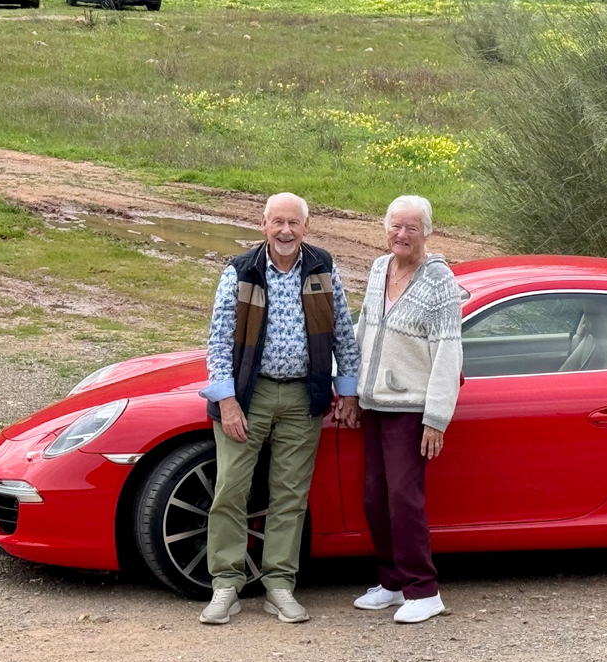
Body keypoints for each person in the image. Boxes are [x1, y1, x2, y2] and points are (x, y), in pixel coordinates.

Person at [197, 192, 361, 625]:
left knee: (290, 494)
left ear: (306, 227)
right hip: (248, 396)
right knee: (231, 488)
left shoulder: (322, 267)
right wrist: (227, 401)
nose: (285, 231)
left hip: (304, 395)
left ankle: (279, 586)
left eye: (294, 223)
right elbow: (217, 341)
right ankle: (226, 585)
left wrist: (348, 391)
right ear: (263, 225)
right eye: (277, 223)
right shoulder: (240, 270)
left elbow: (344, 332)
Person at [352, 195, 463, 624]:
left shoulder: (440, 283)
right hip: (374, 402)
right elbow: (365, 329)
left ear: (426, 232)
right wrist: (350, 391)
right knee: (375, 497)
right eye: (395, 226)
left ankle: (423, 589)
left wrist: (436, 418)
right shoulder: (381, 268)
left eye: (411, 228)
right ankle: (392, 582)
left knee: (404, 498)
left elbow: (448, 355)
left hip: (411, 408)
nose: (401, 235)